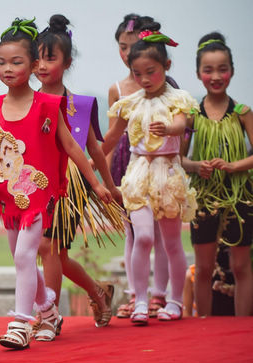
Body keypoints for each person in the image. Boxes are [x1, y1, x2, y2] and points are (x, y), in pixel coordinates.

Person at [0, 17, 112, 349]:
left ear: (34, 64)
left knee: (25, 256)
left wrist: (96, 185)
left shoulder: (48, 106)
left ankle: (21, 323)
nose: (7, 68)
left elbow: (71, 146)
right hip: (8, 197)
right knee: (21, 257)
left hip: (39, 195)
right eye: (1, 62)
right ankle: (49, 310)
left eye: (16, 62)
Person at [101, 22, 199, 325]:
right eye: (138, 73)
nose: (144, 79)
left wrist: (168, 128)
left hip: (167, 172)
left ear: (166, 65)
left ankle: (172, 300)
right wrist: (87, 157)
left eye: (151, 72)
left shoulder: (177, 99)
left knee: (171, 242)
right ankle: (140, 299)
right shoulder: (129, 103)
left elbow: (182, 125)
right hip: (138, 173)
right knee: (142, 236)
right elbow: (111, 139)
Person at [33, 14, 123, 332]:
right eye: (37, 58)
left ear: (67, 62)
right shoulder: (27, 102)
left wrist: (108, 187)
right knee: (55, 252)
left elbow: (95, 150)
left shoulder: (81, 105)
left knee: (49, 248)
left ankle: (50, 318)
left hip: (72, 184)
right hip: (36, 181)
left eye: (51, 58)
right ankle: (99, 292)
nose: (42, 66)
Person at [181, 32, 253, 316]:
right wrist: (198, 167)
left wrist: (234, 166)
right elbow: (178, 157)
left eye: (222, 69)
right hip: (203, 195)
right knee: (204, 267)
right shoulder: (191, 114)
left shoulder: (242, 113)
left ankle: (243, 327)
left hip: (241, 195)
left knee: (240, 265)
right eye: (208, 70)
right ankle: (204, 326)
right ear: (199, 73)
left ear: (232, 71)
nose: (216, 76)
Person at [108, 14, 172, 319]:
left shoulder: (169, 88)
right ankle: (136, 295)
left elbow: (181, 132)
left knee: (160, 234)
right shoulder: (117, 90)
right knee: (134, 232)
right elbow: (108, 138)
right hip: (127, 164)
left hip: (162, 167)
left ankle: (158, 295)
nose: (127, 52)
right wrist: (105, 179)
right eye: (122, 47)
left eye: (133, 46)